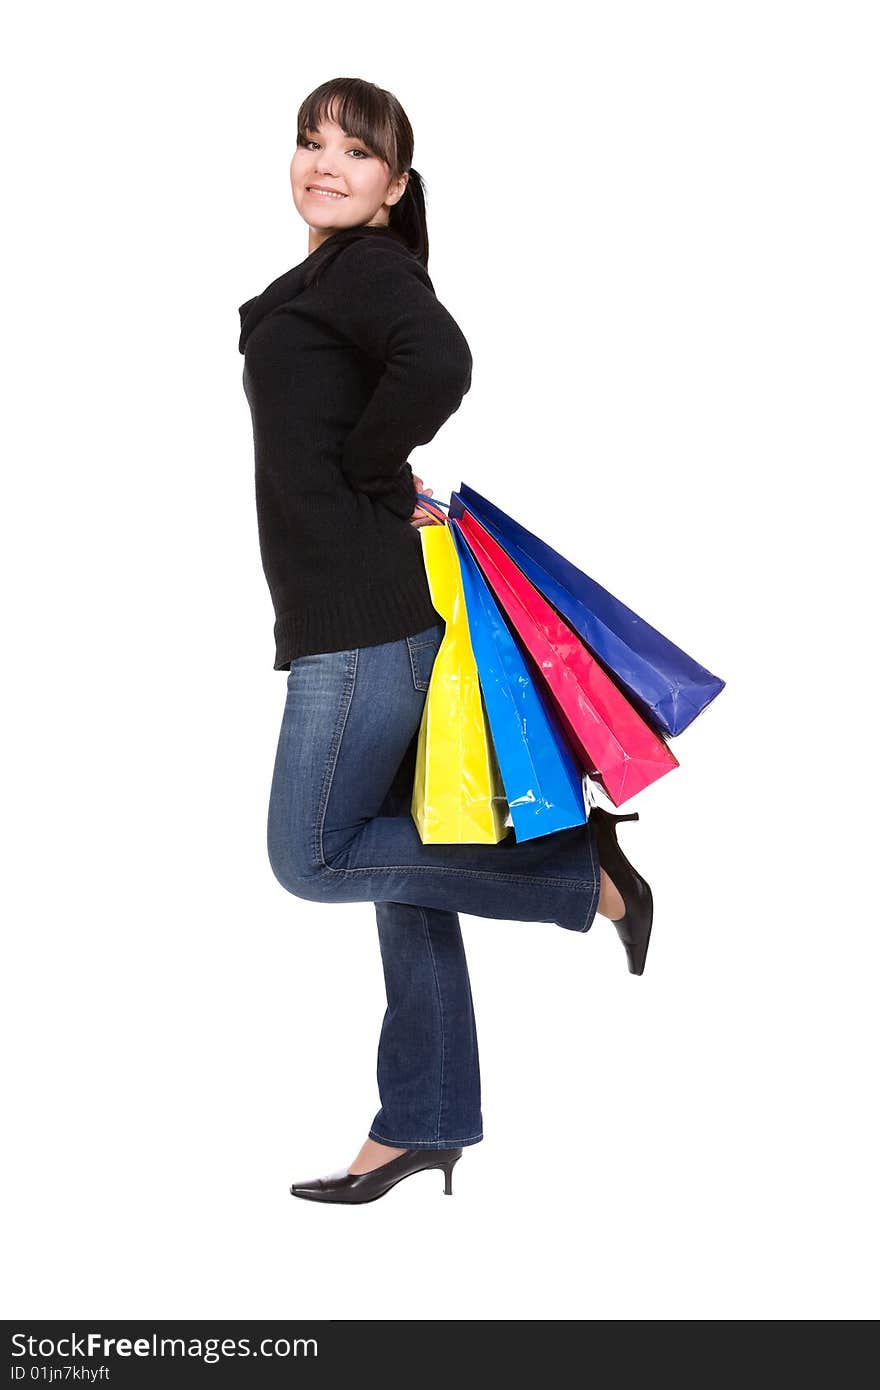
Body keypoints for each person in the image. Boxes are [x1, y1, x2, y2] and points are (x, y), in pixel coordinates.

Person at [237, 77, 653, 1206]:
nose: (324, 163)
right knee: (399, 857)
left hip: (363, 618)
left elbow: (441, 364)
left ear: (394, 186)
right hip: (359, 604)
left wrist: (374, 473)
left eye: (355, 153)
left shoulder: (368, 271)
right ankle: (422, 1119)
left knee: (310, 855)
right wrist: (376, 469)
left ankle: (581, 872)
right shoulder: (325, 278)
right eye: (309, 141)